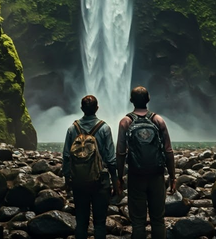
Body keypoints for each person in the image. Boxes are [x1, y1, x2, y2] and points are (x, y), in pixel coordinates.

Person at [116, 86, 176, 239]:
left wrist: (119, 177)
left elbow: (121, 153)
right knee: (158, 220)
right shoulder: (158, 120)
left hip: (136, 176)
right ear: (148, 99)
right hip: (156, 175)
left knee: (138, 221)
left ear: (131, 101)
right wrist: (173, 177)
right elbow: (168, 150)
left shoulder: (125, 122)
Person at [62, 95, 119, 239]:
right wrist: (115, 179)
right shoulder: (104, 128)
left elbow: (67, 156)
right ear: (97, 108)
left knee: (81, 222)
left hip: (79, 180)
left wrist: (68, 178)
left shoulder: (71, 129)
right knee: (100, 223)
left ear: (81, 109)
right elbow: (111, 158)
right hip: (100, 179)